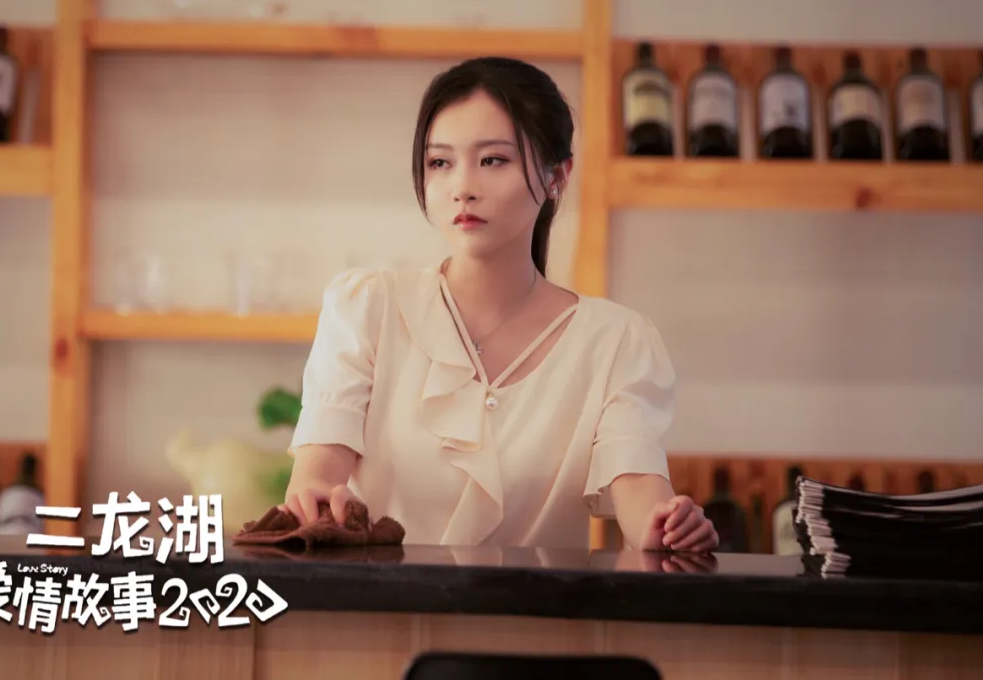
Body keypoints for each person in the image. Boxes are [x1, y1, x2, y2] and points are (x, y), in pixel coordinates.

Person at [281, 56, 719, 553]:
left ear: (557, 177)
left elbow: (639, 490)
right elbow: (317, 474)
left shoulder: (617, 341)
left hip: (537, 606)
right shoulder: (367, 308)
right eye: (440, 163)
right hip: (382, 602)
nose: (462, 188)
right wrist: (318, 502)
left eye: (493, 160)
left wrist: (665, 526)